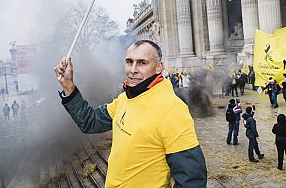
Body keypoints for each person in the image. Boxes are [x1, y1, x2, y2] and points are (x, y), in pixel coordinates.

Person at [54, 40, 207, 187]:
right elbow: (90, 121)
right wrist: (68, 85)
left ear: (159, 67)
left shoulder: (172, 110)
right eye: (129, 61)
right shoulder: (124, 99)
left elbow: (192, 179)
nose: (133, 69)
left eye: (142, 63)